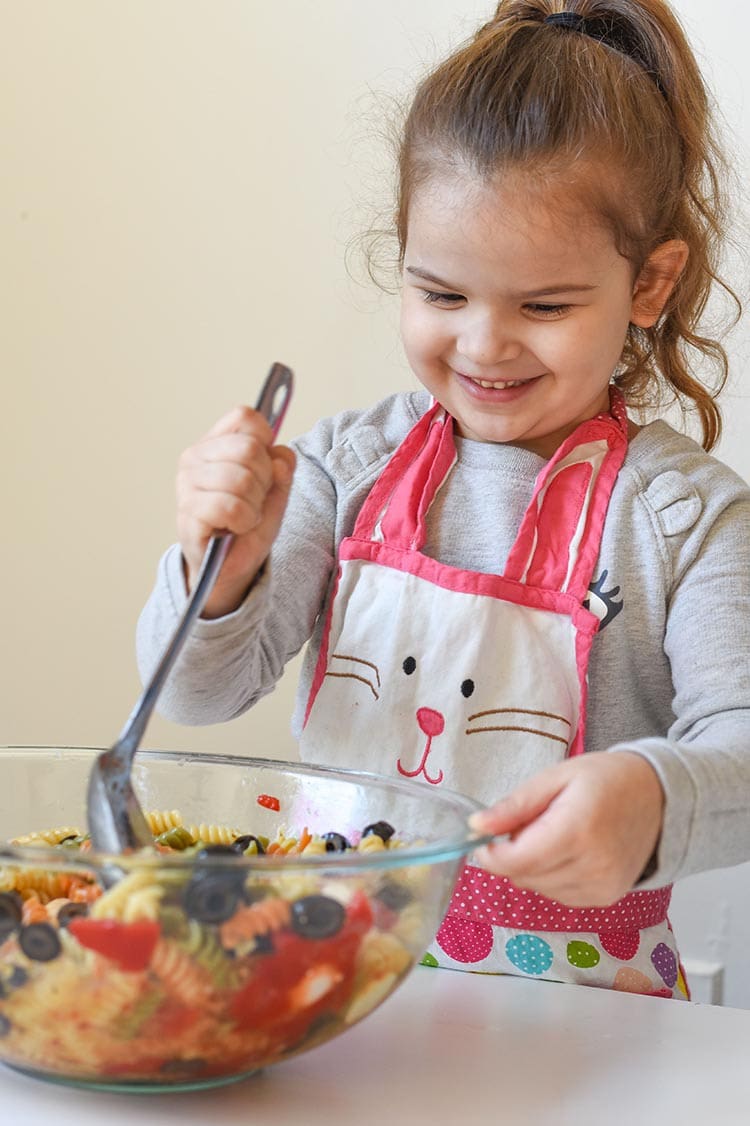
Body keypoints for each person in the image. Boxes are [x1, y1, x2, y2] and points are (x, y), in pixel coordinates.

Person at [137, 0, 750, 998]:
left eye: (544, 306)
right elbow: (198, 694)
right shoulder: (343, 464)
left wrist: (649, 795)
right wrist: (223, 572)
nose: (482, 345)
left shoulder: (688, 516)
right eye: (442, 294)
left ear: (651, 283)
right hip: (330, 996)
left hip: (588, 1030)